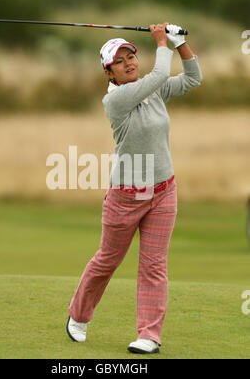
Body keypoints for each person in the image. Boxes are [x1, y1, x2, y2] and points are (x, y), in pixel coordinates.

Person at [66, 22, 202, 354]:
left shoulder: (151, 89)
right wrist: (161, 43)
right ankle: (78, 316)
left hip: (164, 191)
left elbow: (192, 78)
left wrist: (180, 43)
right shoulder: (116, 101)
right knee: (107, 260)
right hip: (126, 197)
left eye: (131, 56)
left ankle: (149, 335)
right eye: (120, 61)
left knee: (154, 264)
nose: (129, 63)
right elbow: (158, 75)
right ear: (109, 74)